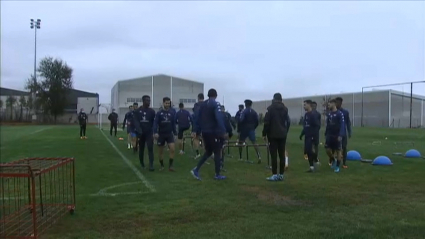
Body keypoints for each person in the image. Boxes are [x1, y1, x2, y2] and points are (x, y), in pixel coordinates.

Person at [190, 88, 227, 181]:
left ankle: (196, 169)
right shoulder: (215, 104)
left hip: (205, 132)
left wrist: (196, 130)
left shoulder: (202, 105)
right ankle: (217, 174)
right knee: (217, 151)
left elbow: (197, 118)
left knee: (209, 152)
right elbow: (218, 117)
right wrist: (223, 131)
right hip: (213, 132)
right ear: (216, 95)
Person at [262, 93, 290, 181]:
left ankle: (274, 174)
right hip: (282, 134)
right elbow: (287, 122)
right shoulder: (285, 109)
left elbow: (267, 122)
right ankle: (281, 174)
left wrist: (264, 133)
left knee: (273, 155)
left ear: (274, 99)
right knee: (282, 154)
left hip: (272, 134)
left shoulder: (270, 109)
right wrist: (285, 131)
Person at [153, 97, 177, 171]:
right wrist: (155, 132)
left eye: (169, 103)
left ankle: (170, 166)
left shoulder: (172, 113)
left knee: (172, 149)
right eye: (166, 103)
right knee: (160, 151)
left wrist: (175, 133)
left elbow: (173, 124)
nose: (167, 104)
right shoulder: (159, 113)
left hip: (169, 134)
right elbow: (155, 123)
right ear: (163, 103)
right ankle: (162, 165)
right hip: (161, 134)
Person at [132, 97, 156, 170]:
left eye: (149, 101)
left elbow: (153, 122)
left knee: (150, 148)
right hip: (141, 133)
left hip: (149, 132)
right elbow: (136, 122)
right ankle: (142, 163)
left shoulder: (152, 111)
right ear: (143, 101)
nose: (148, 102)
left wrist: (153, 131)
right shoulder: (137, 111)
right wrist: (139, 130)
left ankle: (151, 165)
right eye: (147, 101)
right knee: (141, 148)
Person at [324, 99, 346, 173]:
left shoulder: (340, 114)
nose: (328, 105)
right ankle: (333, 160)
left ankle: (337, 167)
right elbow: (328, 125)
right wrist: (326, 133)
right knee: (327, 150)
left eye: (330, 103)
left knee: (338, 151)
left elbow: (343, 125)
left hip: (337, 135)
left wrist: (341, 135)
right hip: (330, 135)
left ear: (334, 104)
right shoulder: (329, 114)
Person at [299, 100, 321, 172]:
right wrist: (302, 134)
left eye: (305, 105)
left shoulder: (313, 115)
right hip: (307, 136)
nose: (304, 106)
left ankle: (316, 159)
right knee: (307, 151)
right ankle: (311, 167)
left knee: (310, 150)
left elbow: (317, 126)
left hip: (312, 136)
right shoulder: (306, 115)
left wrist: (314, 136)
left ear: (309, 105)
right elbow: (305, 126)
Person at [238, 99, 261, 164]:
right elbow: (257, 121)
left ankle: (240, 157)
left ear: (245, 104)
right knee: (254, 142)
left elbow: (241, 120)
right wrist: (254, 127)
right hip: (251, 129)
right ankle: (259, 156)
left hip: (244, 129)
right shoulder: (254, 112)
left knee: (241, 142)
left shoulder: (244, 111)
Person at [335, 97, 352, 169]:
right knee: (334, 148)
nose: (337, 104)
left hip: (343, 133)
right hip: (334, 133)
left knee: (344, 148)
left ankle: (344, 163)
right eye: (336, 102)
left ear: (341, 103)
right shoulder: (333, 111)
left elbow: (348, 122)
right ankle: (334, 161)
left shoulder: (345, 112)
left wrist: (349, 131)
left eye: (338, 102)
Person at [220, 105, 234, 171]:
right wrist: (231, 132)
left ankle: (220, 161)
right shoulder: (227, 114)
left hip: (218, 132)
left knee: (220, 147)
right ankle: (221, 162)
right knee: (223, 147)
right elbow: (230, 123)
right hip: (226, 132)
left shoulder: (217, 114)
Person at [192, 93, 204, 159]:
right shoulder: (206, 104)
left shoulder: (196, 105)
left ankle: (198, 153)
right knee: (205, 139)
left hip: (198, 124)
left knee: (195, 138)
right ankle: (207, 154)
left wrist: (194, 129)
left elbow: (196, 116)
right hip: (206, 124)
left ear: (198, 98)